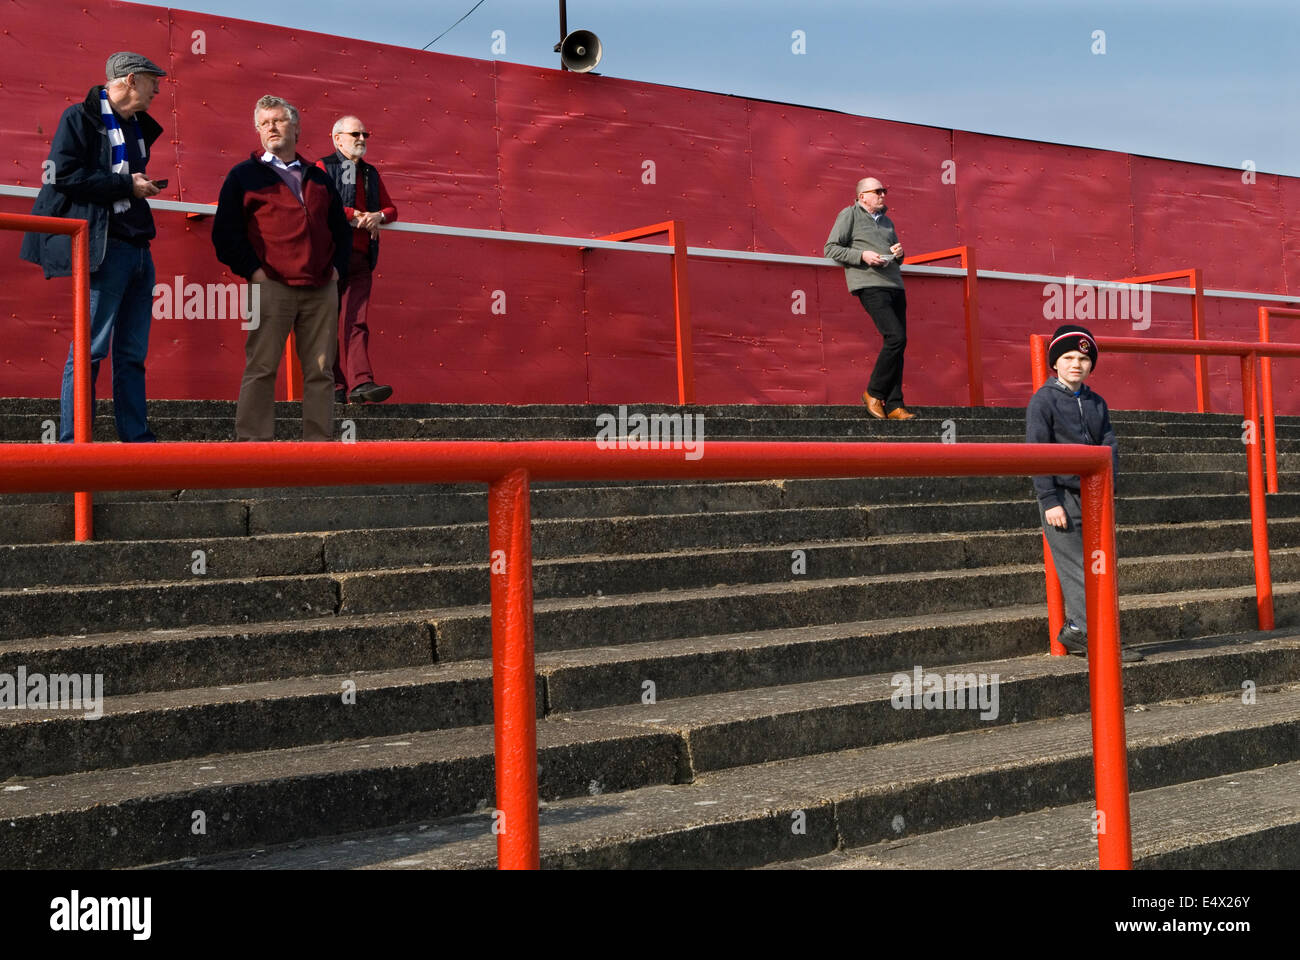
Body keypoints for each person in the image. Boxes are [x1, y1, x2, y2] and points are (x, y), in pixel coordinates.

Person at [20, 52, 167, 443]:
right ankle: (73, 444)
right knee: (90, 350)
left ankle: (137, 440)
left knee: (132, 355)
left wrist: (137, 186)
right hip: (104, 250)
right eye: (154, 80)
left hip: (139, 248)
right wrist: (125, 186)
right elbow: (63, 175)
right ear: (132, 80)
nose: (158, 89)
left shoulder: (138, 128)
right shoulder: (79, 117)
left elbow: (120, 179)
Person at [212, 95, 351, 441]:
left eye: (278, 120)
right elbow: (224, 233)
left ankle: (318, 447)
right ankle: (253, 446)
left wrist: (336, 271)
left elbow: (341, 231)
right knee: (261, 366)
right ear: (258, 131)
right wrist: (254, 272)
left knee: (320, 370)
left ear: (297, 127)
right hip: (269, 285)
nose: (271, 127)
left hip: (321, 287)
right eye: (264, 123)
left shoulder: (319, 179)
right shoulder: (243, 176)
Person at [1026, 323, 1143, 663]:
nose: (1076, 364)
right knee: (1078, 568)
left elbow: (1109, 445)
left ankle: (1078, 630)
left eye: (1083, 358)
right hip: (1061, 498)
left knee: (1101, 566)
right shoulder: (1043, 401)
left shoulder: (1096, 402)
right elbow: (1036, 450)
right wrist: (1048, 500)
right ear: (1055, 363)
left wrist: (1109, 487)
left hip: (1095, 497)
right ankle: (1097, 638)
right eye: (1068, 358)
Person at [316, 115, 398, 404]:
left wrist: (378, 216)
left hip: (361, 257)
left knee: (357, 321)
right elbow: (319, 202)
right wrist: (354, 215)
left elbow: (391, 209)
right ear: (337, 138)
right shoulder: (323, 167)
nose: (362, 139)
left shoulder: (370, 173)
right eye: (355, 134)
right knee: (326, 322)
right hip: (330, 257)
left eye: (365, 134)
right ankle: (334, 387)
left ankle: (360, 384)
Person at [824, 176, 913, 420]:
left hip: (895, 284)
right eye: (878, 191)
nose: (883, 195)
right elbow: (830, 248)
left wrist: (900, 253)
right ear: (862, 196)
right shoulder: (849, 215)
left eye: (884, 190)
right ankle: (873, 393)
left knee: (899, 344)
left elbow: (898, 257)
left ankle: (895, 404)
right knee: (896, 337)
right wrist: (863, 255)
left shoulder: (887, 221)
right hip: (869, 284)